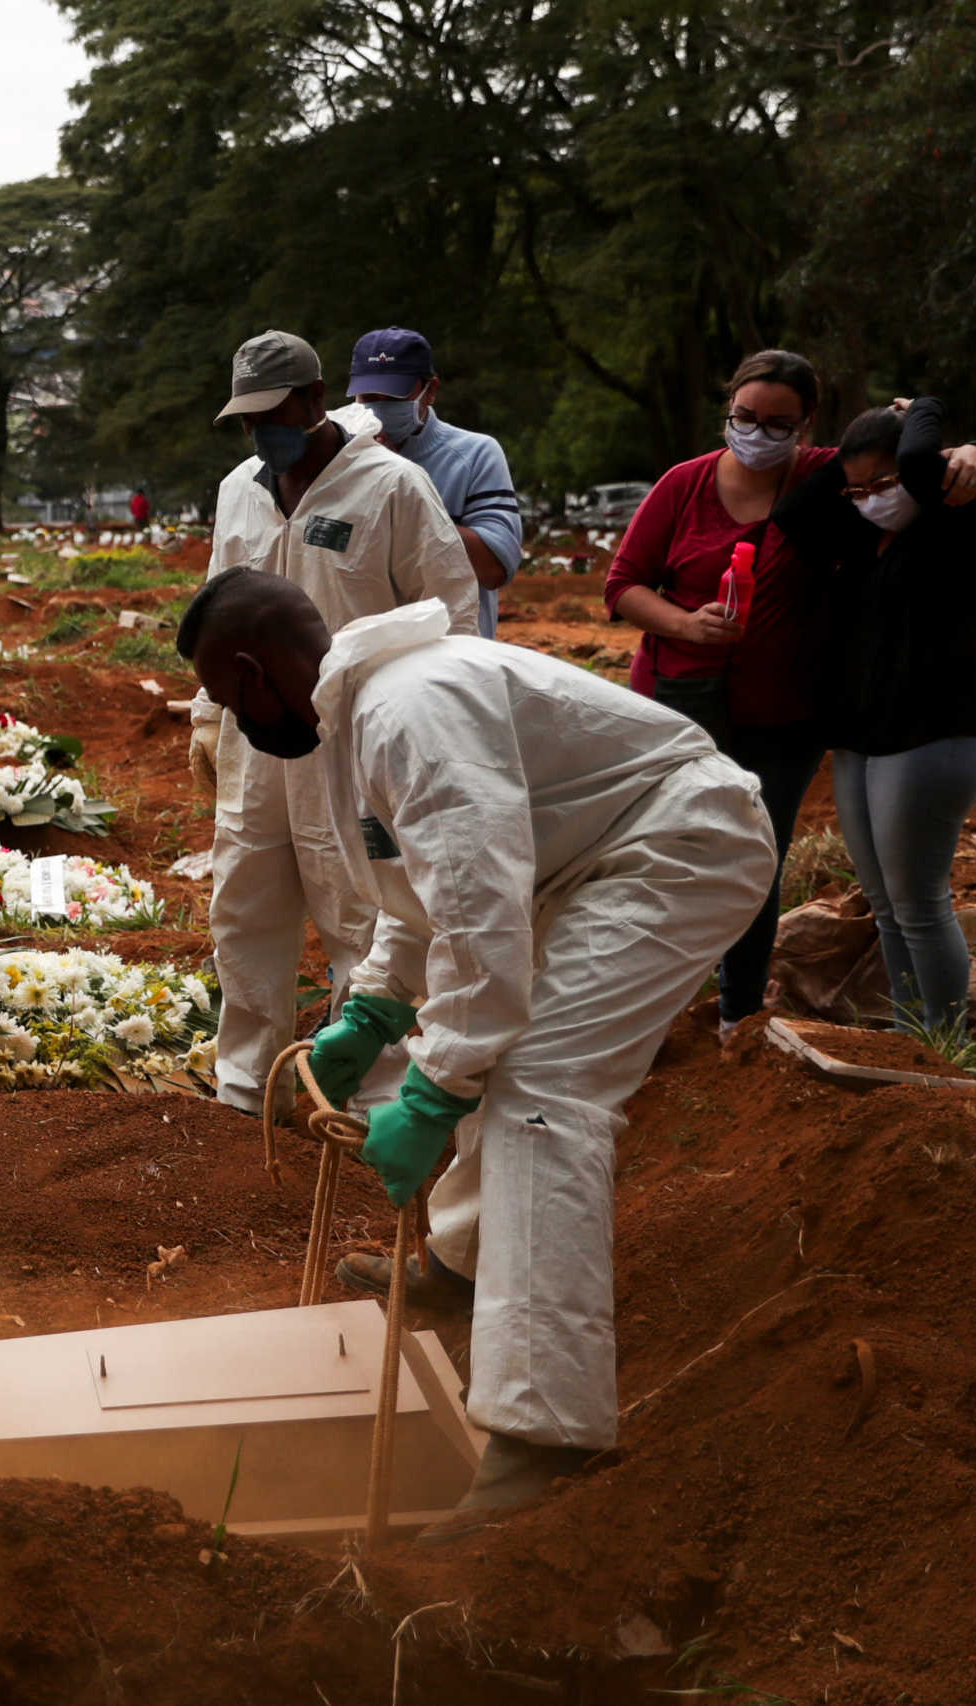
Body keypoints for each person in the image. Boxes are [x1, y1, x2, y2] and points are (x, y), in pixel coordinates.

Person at [177, 568, 774, 1521]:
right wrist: (373, 1013)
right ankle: (458, 1265)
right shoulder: (365, 713)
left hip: (674, 845)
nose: (239, 726)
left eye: (225, 701)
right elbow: (422, 892)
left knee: (543, 1085)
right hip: (596, 860)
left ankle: (545, 1432)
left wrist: (433, 1088)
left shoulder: (409, 711)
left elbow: (479, 907)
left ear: (252, 673)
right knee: (507, 1052)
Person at [603, 351, 976, 1044]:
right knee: (666, 855)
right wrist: (686, 623)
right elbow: (623, 582)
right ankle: (646, 1010)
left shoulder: (852, 486)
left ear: (807, 427)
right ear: (727, 411)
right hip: (685, 705)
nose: (757, 432)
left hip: (791, 717)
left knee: (757, 860)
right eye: (745, 417)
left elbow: (906, 469)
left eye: (779, 422)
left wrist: (958, 442)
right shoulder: (687, 485)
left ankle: (739, 1015)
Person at [187, 330, 480, 1114]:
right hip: (258, 741)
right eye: (246, 422)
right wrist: (208, 715)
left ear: (315, 401)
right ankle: (245, 1085)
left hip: (355, 749)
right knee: (245, 905)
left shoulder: (392, 488)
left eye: (272, 415)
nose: (260, 435)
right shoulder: (239, 490)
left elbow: (451, 618)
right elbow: (218, 608)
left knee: (365, 915)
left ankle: (373, 1098)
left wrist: (434, 742)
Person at [775, 397, 976, 1031]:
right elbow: (794, 513)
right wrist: (858, 469)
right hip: (861, 740)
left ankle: (947, 1042)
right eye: (857, 489)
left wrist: (930, 415)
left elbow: (914, 458)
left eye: (884, 483)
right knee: (885, 906)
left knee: (921, 905)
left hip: (935, 734)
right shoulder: (859, 533)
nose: (870, 497)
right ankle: (908, 1035)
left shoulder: (962, 516)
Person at [341, 328, 523, 640]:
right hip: (363, 650)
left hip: (449, 654)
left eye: (395, 397)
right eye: (369, 398)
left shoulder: (475, 454)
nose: (380, 408)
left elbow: (494, 568)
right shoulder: (336, 454)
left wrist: (399, 482)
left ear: (431, 390)